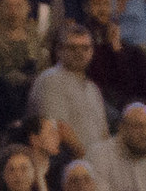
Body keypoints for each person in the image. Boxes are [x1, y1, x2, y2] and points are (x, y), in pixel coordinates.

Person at [30, 22, 111, 155]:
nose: (79, 53)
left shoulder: (92, 88)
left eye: (85, 48)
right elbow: (58, 127)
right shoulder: (51, 80)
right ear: (59, 50)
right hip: (67, 164)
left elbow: (104, 132)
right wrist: (87, 161)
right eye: (72, 48)